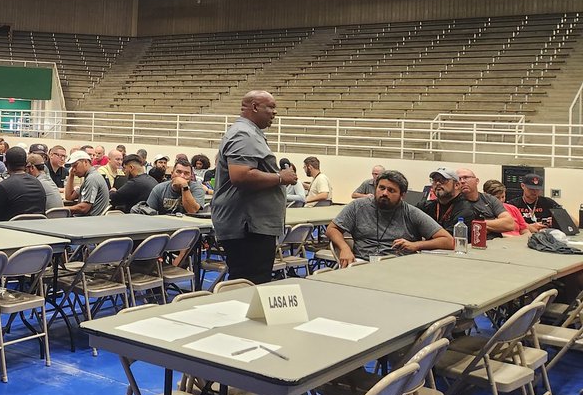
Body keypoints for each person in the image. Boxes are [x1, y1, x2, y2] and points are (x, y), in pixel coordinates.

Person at [211, 91, 297, 284]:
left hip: (251, 225)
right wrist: (280, 177)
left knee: (249, 280)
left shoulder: (250, 133)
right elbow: (240, 175)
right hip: (247, 227)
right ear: (255, 107)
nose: (275, 113)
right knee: (249, 282)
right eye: (271, 107)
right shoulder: (244, 134)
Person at [325, 170, 453, 264]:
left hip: (398, 266)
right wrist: (345, 248)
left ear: (402, 195)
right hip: (362, 263)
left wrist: (416, 245)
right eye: (381, 188)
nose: (384, 193)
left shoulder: (411, 212)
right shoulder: (358, 206)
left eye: (391, 190)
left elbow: (448, 241)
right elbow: (332, 229)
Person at [0, 147, 46, 225]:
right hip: (36, 232)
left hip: (8, 233)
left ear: (5, 164)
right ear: (26, 164)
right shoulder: (38, 184)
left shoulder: (2, 187)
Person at [454, 167, 515, 236]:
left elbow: (510, 224)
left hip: (495, 241)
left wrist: (477, 224)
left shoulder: (489, 199)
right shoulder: (454, 202)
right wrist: (495, 224)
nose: (462, 181)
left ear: (476, 181)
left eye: (466, 177)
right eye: (459, 179)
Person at [63, 150, 109, 216]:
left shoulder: (92, 178)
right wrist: (71, 175)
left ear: (85, 162)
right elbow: (69, 197)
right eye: (72, 167)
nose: (73, 169)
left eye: (75, 165)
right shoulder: (90, 177)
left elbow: (84, 208)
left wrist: (64, 209)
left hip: (91, 222)